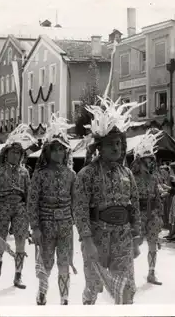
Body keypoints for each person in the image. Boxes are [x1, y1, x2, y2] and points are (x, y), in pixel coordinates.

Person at [73, 95, 144, 305]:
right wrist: (87, 242)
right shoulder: (86, 174)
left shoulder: (127, 173)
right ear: (99, 148)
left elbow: (135, 207)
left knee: (127, 289)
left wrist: (136, 236)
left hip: (122, 237)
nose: (117, 148)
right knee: (94, 287)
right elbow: (80, 210)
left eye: (119, 144)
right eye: (111, 144)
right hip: (97, 237)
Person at [27, 113, 76, 305]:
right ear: (47, 152)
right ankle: (42, 293)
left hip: (65, 225)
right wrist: (35, 227)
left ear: (66, 152)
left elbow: (76, 201)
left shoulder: (71, 174)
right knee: (46, 262)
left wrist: (75, 222)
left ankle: (64, 298)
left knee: (64, 262)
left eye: (61, 150)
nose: (58, 153)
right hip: (45, 225)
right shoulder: (39, 175)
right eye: (54, 149)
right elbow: (32, 202)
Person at [0, 136, 35, 289]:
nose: (15, 156)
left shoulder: (25, 172)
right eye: (13, 152)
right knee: (0, 239)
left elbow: (29, 194)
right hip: (2, 207)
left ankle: (18, 276)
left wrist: (32, 216)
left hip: (20, 208)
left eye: (18, 153)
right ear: (6, 154)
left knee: (21, 240)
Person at [131, 129, 164, 285]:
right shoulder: (132, 178)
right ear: (140, 161)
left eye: (151, 159)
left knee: (152, 246)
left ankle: (151, 273)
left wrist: (159, 215)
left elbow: (157, 197)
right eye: (147, 159)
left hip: (152, 215)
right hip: (138, 216)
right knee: (134, 246)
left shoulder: (153, 178)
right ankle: (126, 274)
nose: (150, 162)